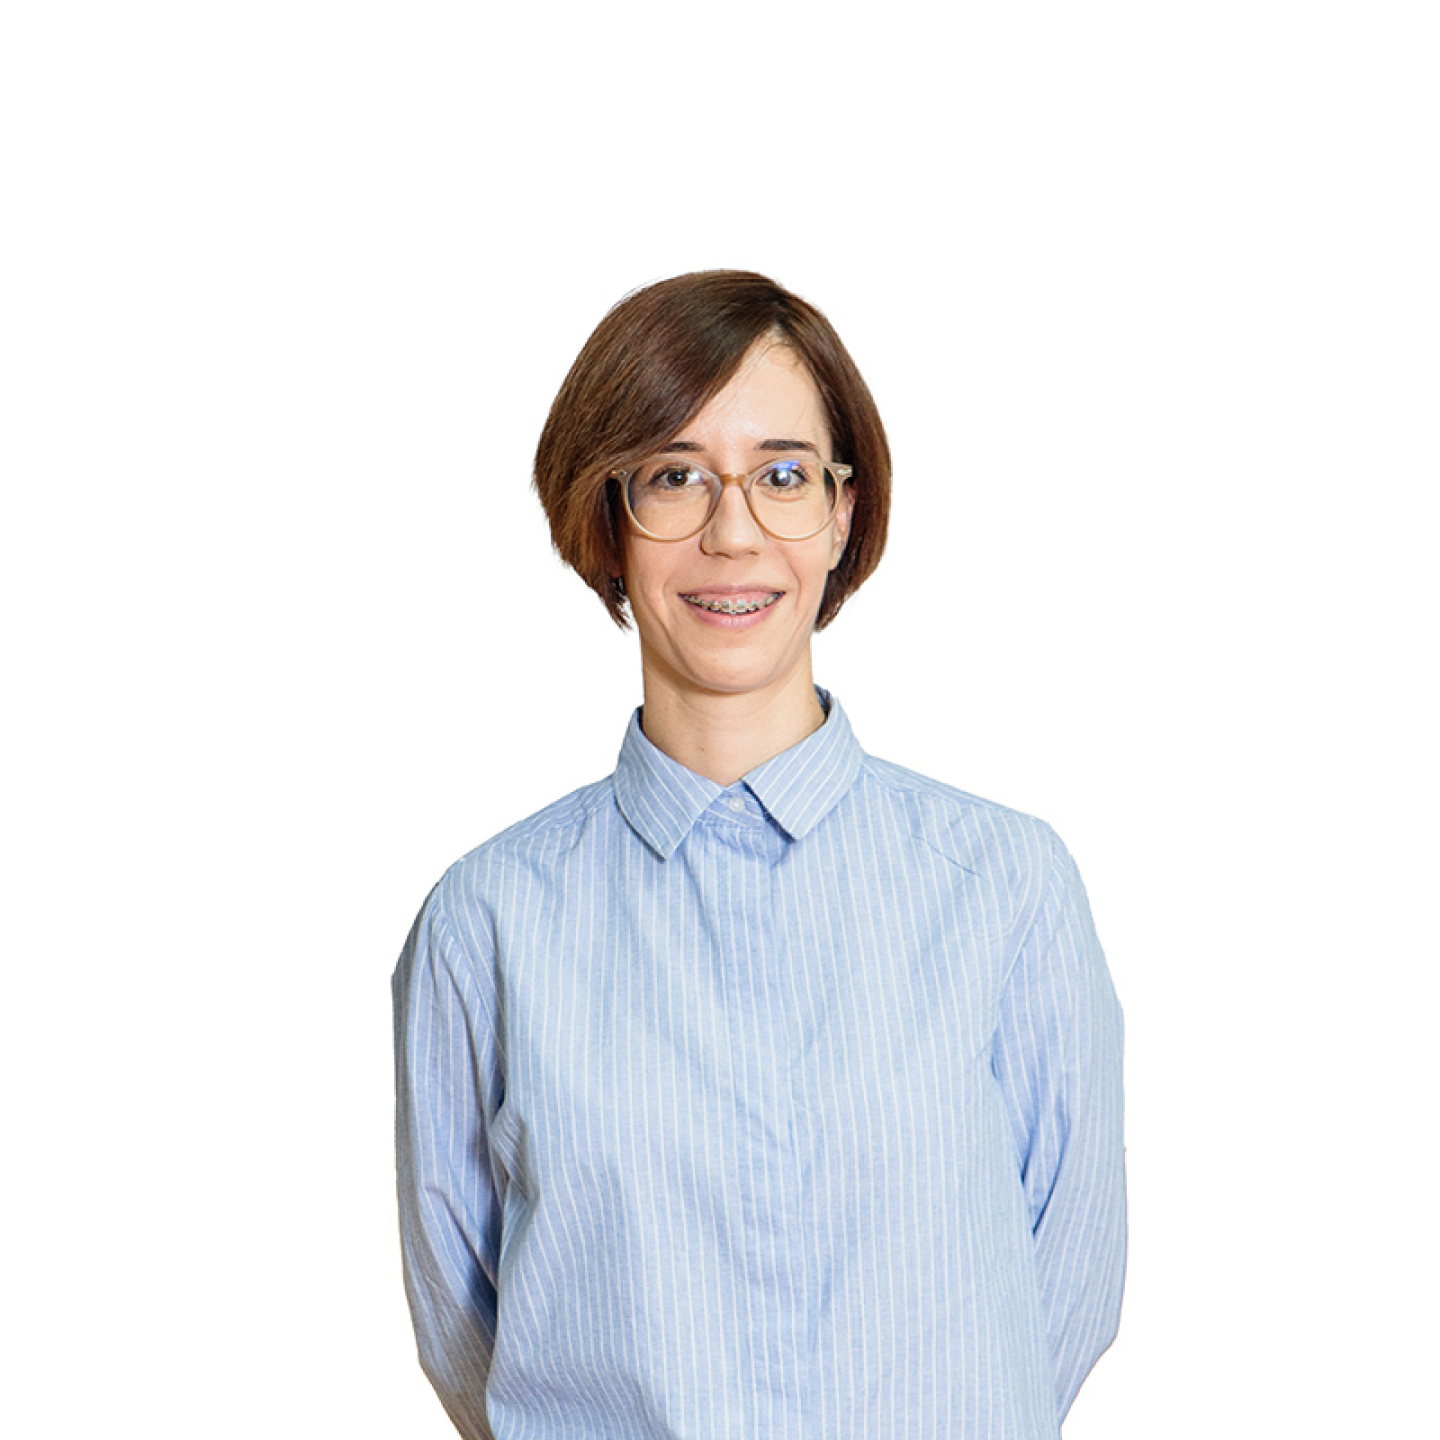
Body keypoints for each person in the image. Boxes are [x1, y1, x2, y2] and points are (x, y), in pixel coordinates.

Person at [393, 270, 1125, 1440]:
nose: (732, 533)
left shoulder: (1005, 887)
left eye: (783, 476)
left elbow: (1064, 1292)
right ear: (608, 521)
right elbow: (465, 1330)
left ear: (843, 514)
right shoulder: (486, 922)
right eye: (674, 476)